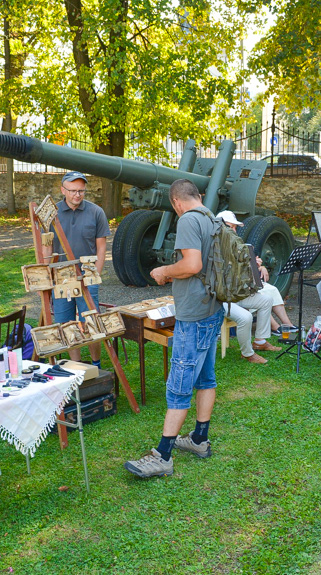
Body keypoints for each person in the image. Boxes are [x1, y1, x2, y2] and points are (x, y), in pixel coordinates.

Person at [124, 179, 224, 479]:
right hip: (213, 308)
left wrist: (165, 270)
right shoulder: (213, 218)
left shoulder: (189, 220)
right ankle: (198, 439)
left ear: (175, 202)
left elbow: (192, 264)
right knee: (205, 377)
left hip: (194, 315)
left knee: (179, 387)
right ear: (197, 196)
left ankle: (163, 456)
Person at [45, 171, 110, 367]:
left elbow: (101, 247)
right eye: (73, 190)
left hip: (87, 276)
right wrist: (48, 275)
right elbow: (46, 247)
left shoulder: (96, 212)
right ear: (62, 190)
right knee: (67, 325)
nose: (77, 195)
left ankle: (95, 364)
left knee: (91, 324)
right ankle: (78, 367)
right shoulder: (51, 213)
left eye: (81, 191)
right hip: (61, 277)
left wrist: (95, 274)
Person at [214, 211, 297, 337]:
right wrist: (248, 264)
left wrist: (259, 265)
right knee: (260, 294)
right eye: (231, 227)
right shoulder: (216, 246)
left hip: (243, 283)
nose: (234, 231)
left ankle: (287, 324)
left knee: (272, 289)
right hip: (228, 290)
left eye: (235, 228)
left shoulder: (236, 242)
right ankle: (275, 327)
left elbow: (248, 262)